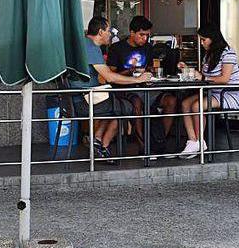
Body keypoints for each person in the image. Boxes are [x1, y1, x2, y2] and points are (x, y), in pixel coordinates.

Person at [70, 16, 148, 160]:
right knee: (126, 107)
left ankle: (98, 142)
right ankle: (101, 143)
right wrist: (138, 79)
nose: (111, 34)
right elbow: (109, 77)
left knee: (118, 106)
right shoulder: (91, 47)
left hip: (81, 97)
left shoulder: (85, 44)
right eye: (108, 31)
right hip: (85, 100)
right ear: (100, 32)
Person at [106, 15, 178, 152]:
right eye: (141, 35)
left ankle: (159, 141)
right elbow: (110, 76)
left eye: (147, 35)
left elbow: (151, 68)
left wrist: (152, 70)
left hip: (148, 89)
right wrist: (130, 71)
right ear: (131, 32)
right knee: (137, 103)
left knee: (171, 101)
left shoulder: (148, 48)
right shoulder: (116, 48)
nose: (144, 38)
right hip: (125, 90)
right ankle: (143, 145)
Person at [179, 25, 239, 158]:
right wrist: (189, 70)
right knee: (185, 103)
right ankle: (193, 141)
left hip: (229, 93)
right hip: (213, 92)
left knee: (197, 106)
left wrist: (201, 77)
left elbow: (224, 79)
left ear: (213, 39)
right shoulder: (208, 55)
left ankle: (200, 140)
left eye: (204, 40)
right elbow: (204, 76)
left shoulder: (228, 53)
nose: (202, 43)